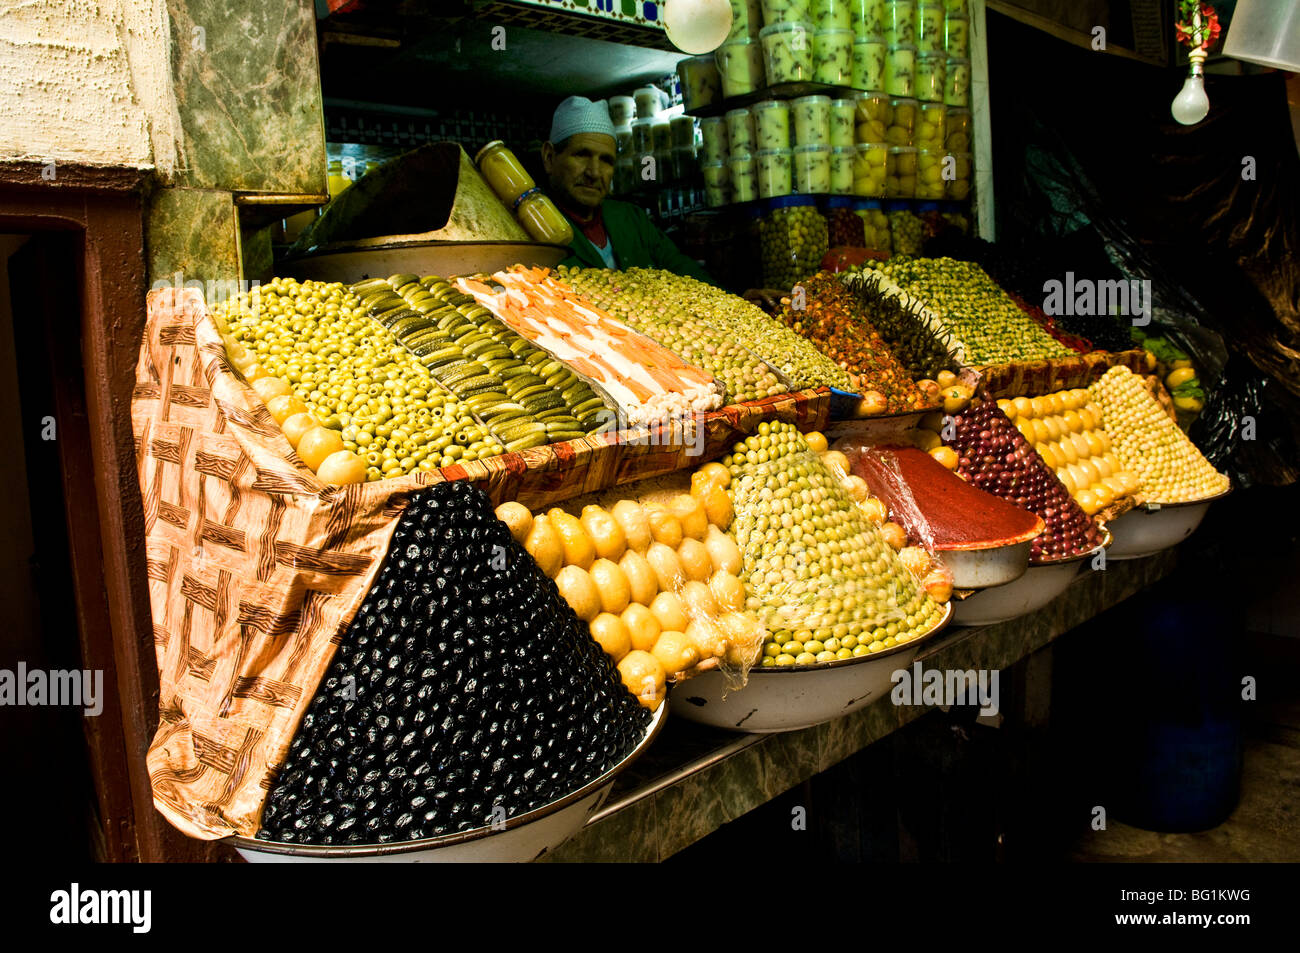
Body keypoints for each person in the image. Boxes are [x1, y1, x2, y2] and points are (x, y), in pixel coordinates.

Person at [541, 96, 717, 284]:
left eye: (606, 160)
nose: (594, 172)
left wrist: (735, 300)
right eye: (582, 155)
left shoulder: (632, 219)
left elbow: (685, 272)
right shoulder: (533, 230)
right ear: (550, 157)